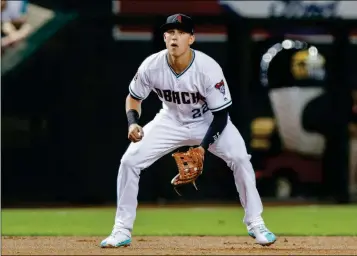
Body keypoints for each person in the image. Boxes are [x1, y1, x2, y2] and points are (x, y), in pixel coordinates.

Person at [100, 13, 276, 248]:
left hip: (208, 121)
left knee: (240, 158)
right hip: (170, 121)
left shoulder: (207, 68)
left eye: (181, 33)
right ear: (164, 37)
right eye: (170, 32)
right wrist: (133, 122)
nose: (175, 37)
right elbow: (133, 98)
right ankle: (121, 229)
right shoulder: (151, 66)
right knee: (130, 161)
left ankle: (256, 223)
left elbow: (221, 115)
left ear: (191, 39)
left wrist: (202, 148)